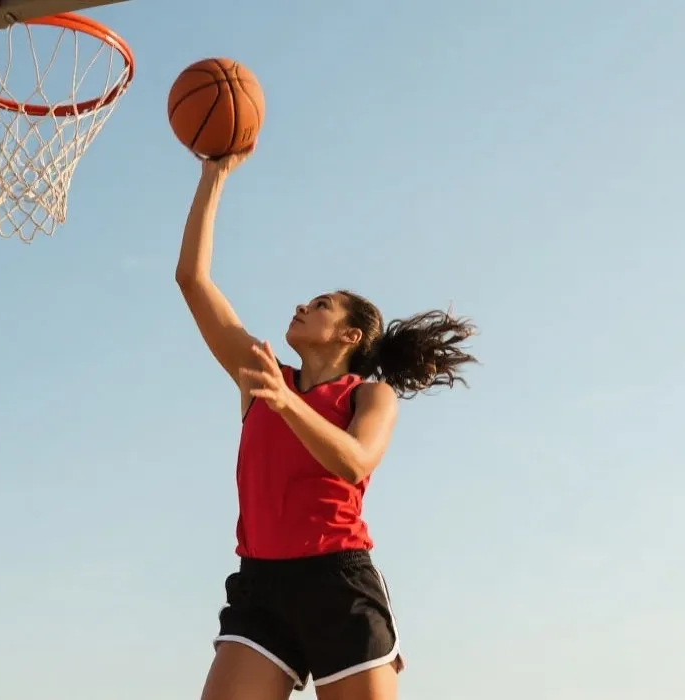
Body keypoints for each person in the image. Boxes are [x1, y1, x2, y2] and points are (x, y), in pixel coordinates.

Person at [175, 150, 478, 700]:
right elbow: (192, 280)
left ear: (350, 336)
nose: (302, 305)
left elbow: (355, 460)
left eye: (321, 304)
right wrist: (213, 177)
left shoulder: (370, 394)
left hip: (338, 582)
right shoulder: (262, 375)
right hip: (261, 586)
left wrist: (288, 406)